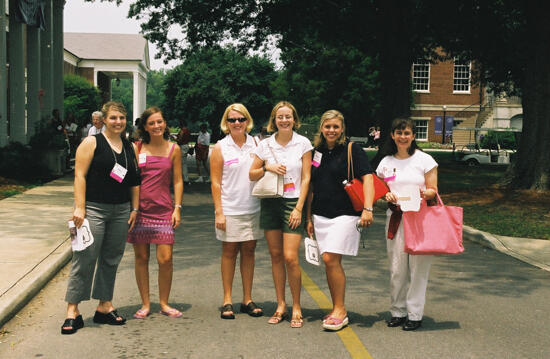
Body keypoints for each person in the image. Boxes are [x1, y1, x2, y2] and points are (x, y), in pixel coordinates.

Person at [62, 101, 140, 335]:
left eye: (122, 118)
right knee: (85, 257)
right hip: (94, 209)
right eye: (114, 118)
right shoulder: (91, 143)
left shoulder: (130, 147)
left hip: (121, 211)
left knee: (111, 258)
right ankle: (72, 310)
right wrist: (79, 207)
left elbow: (135, 181)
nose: (118, 122)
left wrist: (134, 209)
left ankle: (104, 305)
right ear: (104, 119)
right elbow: (79, 176)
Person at [305, 110, 374, 331]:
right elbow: (311, 187)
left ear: (342, 128)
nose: (331, 131)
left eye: (335, 127)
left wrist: (368, 208)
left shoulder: (353, 150)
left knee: (329, 259)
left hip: (345, 213)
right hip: (320, 214)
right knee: (330, 262)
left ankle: (341, 310)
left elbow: (369, 179)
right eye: (327, 127)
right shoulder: (316, 152)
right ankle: (336, 307)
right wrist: (308, 216)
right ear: (321, 128)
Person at [249, 101, 312, 328]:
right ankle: (281, 304)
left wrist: (299, 208)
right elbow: (252, 174)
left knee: (290, 257)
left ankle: (296, 305)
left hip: (293, 202)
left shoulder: (303, 143)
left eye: (288, 116)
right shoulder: (265, 145)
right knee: (276, 256)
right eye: (279, 117)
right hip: (271, 201)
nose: (284, 120)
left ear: (294, 119)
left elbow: (306, 178)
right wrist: (268, 168)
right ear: (273, 120)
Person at [376, 118, 438, 331]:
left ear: (413, 136)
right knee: (397, 268)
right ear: (392, 135)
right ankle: (398, 311)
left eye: (407, 133)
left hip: (420, 219)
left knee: (418, 269)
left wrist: (424, 193)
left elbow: (433, 190)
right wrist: (386, 195)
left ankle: (415, 314)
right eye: (399, 133)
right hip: (396, 218)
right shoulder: (385, 162)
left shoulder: (425, 160)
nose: (403, 137)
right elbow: (380, 190)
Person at [127, 106, 184, 319]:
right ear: (145, 127)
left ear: (165, 123)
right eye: (151, 123)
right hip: (140, 211)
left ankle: (164, 303)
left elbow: (177, 181)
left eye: (159, 122)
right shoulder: (137, 148)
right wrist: (132, 208)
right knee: (141, 257)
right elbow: (132, 180)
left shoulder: (174, 149)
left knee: (165, 259)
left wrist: (177, 207)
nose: (156, 126)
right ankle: (145, 304)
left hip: (163, 211)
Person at [210, 103, 264, 320]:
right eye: (232, 120)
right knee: (229, 253)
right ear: (226, 123)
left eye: (241, 119)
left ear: (247, 121)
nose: (237, 123)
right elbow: (215, 183)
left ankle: (247, 299)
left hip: (254, 207)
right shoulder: (220, 147)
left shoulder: (257, 144)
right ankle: (227, 300)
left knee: (249, 252)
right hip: (230, 208)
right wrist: (219, 212)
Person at [176, 119, 191, 184]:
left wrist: (174, 138)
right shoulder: (187, 130)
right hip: (186, 145)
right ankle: (185, 178)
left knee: (182, 164)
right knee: (183, 163)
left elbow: (179, 140)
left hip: (182, 146)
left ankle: (185, 179)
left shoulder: (182, 131)